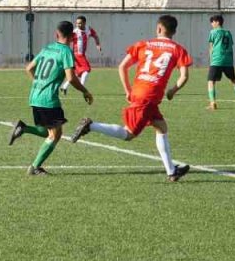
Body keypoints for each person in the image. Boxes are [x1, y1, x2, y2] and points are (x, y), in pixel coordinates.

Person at [70, 14, 193, 182]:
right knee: (128, 134)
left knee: (161, 127)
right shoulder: (178, 49)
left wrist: (128, 90)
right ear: (174, 31)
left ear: (158, 28)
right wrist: (172, 90)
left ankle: (171, 171)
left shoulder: (144, 44)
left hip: (140, 92)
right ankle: (91, 126)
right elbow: (184, 76)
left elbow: (122, 67)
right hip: (149, 97)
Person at [9, 21, 94, 176]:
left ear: (56, 34)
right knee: (55, 134)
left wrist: (39, 83)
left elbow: (28, 68)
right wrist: (85, 91)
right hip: (48, 100)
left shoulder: (47, 48)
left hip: (35, 96)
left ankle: (23, 128)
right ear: (73, 36)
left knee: (46, 130)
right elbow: (72, 78)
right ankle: (35, 167)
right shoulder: (66, 52)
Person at [206, 14, 235, 111]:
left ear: (217, 22)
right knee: (234, 80)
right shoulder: (228, 33)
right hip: (228, 61)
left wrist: (211, 59)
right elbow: (230, 45)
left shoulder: (213, 32)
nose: (212, 24)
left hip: (217, 60)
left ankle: (213, 103)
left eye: (212, 22)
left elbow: (211, 47)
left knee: (211, 82)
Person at [60, 15, 102, 95]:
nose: (78, 25)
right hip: (77, 55)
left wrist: (98, 44)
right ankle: (82, 87)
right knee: (86, 70)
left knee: (77, 73)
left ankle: (64, 87)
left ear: (84, 23)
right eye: (77, 23)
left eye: (80, 23)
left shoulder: (88, 29)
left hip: (81, 55)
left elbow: (95, 36)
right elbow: (67, 41)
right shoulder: (75, 32)